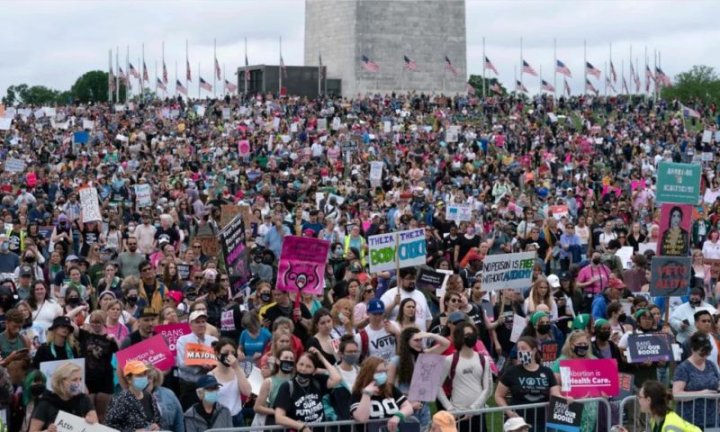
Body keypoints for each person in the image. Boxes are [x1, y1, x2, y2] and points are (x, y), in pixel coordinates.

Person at [387, 327, 451, 430]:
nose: (420, 343)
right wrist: (406, 400)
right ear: (407, 341)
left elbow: (446, 344)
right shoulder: (396, 361)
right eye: (416, 340)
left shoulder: (425, 355)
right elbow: (388, 387)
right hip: (406, 407)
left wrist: (430, 335)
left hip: (423, 407)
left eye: (421, 340)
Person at [495, 336, 561, 431]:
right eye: (518, 349)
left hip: (541, 422)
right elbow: (498, 395)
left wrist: (566, 399)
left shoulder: (547, 372)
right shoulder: (512, 372)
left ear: (534, 351)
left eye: (524, 348)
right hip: (518, 423)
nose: (520, 352)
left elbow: (555, 394)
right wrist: (509, 412)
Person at [437, 322, 492, 432]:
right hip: (458, 414)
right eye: (467, 334)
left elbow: (488, 389)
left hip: (478, 413)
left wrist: (473, 408)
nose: (470, 337)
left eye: (472, 334)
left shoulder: (483, 360)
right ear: (459, 337)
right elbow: (437, 386)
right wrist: (449, 408)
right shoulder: (450, 360)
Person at [273, 347, 343, 429]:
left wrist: (321, 358)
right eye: (301, 364)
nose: (303, 369)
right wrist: (301, 427)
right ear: (296, 365)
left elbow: (337, 378)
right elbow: (279, 417)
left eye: (308, 366)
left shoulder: (317, 382)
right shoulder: (287, 387)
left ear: (314, 370)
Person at [350, 356, 415, 432]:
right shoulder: (358, 394)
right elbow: (362, 418)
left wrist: (398, 416)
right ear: (369, 373)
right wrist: (366, 394)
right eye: (379, 372)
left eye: (384, 371)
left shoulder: (390, 389)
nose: (383, 374)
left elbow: (408, 407)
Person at [29, 362, 98, 432]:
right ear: (62, 382)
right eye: (74, 380)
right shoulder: (46, 403)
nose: (79, 383)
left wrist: (92, 423)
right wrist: (47, 431)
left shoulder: (84, 399)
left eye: (80, 379)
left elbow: (96, 425)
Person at [672, 332, 720, 429]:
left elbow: (717, 382)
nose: (705, 356)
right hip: (689, 420)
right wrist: (701, 393)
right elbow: (676, 394)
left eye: (707, 353)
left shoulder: (710, 365)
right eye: (702, 353)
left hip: (712, 418)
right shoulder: (683, 368)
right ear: (693, 350)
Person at [615, 380, 701, 432]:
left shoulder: (670, 425)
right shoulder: (655, 419)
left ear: (648, 400)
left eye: (639, 397)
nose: (637, 400)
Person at [176, 309, 219, 409]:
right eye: (197, 322)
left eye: (203, 322)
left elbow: (218, 360)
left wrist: (213, 366)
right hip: (190, 385)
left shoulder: (213, 340)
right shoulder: (183, 340)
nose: (201, 324)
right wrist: (200, 365)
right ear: (190, 325)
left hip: (209, 384)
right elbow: (181, 364)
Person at [105, 360, 163, 432]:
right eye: (139, 375)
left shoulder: (149, 396)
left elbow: (159, 420)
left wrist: (156, 426)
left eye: (144, 374)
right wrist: (133, 431)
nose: (143, 377)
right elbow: (109, 426)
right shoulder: (121, 400)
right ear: (129, 379)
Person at [209, 338, 252, 427]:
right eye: (226, 352)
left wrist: (236, 368)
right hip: (219, 419)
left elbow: (247, 392)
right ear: (217, 353)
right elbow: (209, 401)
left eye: (233, 353)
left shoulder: (238, 372)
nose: (230, 355)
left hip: (237, 417)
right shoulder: (211, 376)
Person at [254, 347, 295, 427]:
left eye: (291, 358)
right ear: (278, 361)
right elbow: (257, 407)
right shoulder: (269, 382)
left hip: (293, 423)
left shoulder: (296, 380)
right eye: (286, 358)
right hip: (275, 424)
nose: (289, 360)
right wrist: (276, 412)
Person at [147, 365, 184, 432]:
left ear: (154, 378)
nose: (146, 380)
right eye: (141, 377)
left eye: (149, 377)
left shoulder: (169, 394)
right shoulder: (129, 398)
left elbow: (179, 421)